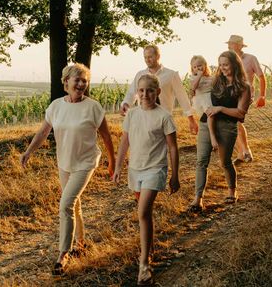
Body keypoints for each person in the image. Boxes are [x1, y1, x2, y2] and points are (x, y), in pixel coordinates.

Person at [20, 63, 115, 276]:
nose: (81, 84)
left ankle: (64, 253)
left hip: (86, 162)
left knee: (66, 204)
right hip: (64, 162)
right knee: (75, 204)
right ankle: (81, 242)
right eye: (77, 80)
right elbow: (43, 132)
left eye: (84, 81)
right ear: (66, 82)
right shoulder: (56, 106)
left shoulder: (93, 107)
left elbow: (106, 136)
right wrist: (28, 152)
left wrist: (112, 161)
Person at [113, 74, 180, 286]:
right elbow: (125, 142)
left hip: (155, 169)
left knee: (142, 212)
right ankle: (149, 251)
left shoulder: (164, 116)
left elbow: (173, 147)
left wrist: (175, 175)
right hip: (135, 169)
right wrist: (118, 167)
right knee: (146, 214)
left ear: (158, 92)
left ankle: (144, 265)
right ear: (137, 92)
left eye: (150, 90)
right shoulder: (132, 114)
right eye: (141, 90)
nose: (145, 94)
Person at [189, 50, 250, 212]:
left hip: (227, 126)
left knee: (225, 162)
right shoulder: (216, 81)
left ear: (235, 65)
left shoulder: (244, 87)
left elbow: (240, 113)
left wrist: (220, 108)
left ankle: (232, 191)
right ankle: (198, 199)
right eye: (220, 65)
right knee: (201, 161)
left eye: (226, 65)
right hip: (206, 123)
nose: (222, 68)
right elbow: (195, 90)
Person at [120, 44, 198, 134]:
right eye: (145, 57)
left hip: (163, 121)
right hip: (143, 120)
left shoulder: (171, 75)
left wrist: (191, 120)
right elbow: (131, 93)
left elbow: (182, 97)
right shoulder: (140, 75)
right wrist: (126, 103)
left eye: (150, 57)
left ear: (158, 56)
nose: (147, 60)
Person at [226, 35, 266, 163]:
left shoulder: (251, 58)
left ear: (239, 45)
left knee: (236, 121)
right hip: (230, 95)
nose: (229, 46)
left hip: (246, 95)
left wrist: (262, 96)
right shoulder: (227, 60)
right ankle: (240, 154)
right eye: (228, 44)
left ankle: (246, 151)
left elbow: (261, 77)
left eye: (231, 43)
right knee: (233, 124)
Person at [189, 55, 218, 150]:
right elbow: (193, 87)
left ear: (205, 65)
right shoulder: (193, 78)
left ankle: (212, 139)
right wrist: (199, 76)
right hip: (201, 99)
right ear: (192, 69)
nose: (197, 68)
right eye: (195, 67)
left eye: (199, 65)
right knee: (209, 117)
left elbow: (215, 87)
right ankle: (212, 138)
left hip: (211, 98)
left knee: (211, 118)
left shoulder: (210, 77)